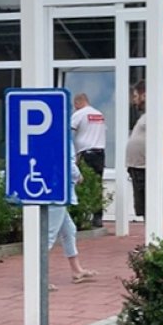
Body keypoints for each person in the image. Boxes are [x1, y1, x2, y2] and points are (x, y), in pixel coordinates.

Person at [46, 143, 97, 289]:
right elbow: (67, 162)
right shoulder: (62, 135)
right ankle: (37, 277)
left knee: (69, 230)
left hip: (54, 189)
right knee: (49, 236)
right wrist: (78, 176)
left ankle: (76, 270)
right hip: (58, 193)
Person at [125, 80, 163, 222]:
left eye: (135, 96)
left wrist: (156, 165)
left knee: (159, 207)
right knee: (145, 208)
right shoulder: (146, 115)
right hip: (139, 168)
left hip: (150, 169)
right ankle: (150, 240)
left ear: (144, 95)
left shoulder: (160, 113)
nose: (134, 101)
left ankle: (162, 241)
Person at [71, 93, 106, 227]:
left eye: (75, 106)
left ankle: (79, 216)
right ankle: (98, 218)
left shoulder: (80, 114)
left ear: (78, 103)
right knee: (96, 186)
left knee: (79, 183)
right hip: (100, 153)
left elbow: (67, 129)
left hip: (86, 153)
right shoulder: (99, 114)